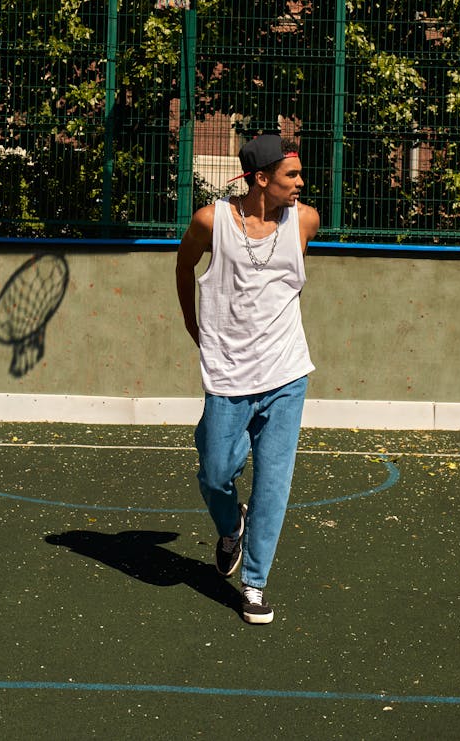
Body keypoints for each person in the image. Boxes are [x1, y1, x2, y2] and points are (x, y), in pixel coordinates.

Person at [176, 132, 320, 625]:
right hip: (228, 375)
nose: (301, 184)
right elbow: (183, 263)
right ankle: (229, 527)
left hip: (286, 375)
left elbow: (286, 285)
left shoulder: (304, 221)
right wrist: (192, 322)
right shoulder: (211, 221)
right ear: (262, 179)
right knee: (216, 471)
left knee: (273, 485)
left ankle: (254, 585)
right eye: (291, 175)